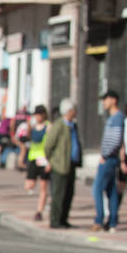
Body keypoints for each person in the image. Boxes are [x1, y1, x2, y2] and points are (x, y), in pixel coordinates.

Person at [43, 98, 81, 229]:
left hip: (71, 163)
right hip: (60, 164)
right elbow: (48, 145)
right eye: (73, 110)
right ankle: (55, 221)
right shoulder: (59, 125)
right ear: (68, 111)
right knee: (59, 194)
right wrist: (51, 160)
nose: (75, 112)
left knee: (69, 194)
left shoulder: (73, 125)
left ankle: (64, 219)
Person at [92, 90, 124, 232]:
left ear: (113, 100)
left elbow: (116, 140)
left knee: (97, 189)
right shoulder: (112, 117)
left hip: (109, 159)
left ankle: (99, 219)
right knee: (111, 190)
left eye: (105, 99)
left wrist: (104, 155)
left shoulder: (117, 117)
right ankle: (112, 221)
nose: (103, 102)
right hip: (109, 158)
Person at [24, 105, 51, 221]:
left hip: (44, 159)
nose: (38, 117)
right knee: (29, 185)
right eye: (36, 114)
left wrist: (49, 161)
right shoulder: (33, 126)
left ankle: (39, 211)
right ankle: (44, 204)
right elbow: (27, 137)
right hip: (33, 158)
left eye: (40, 114)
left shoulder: (49, 126)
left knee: (43, 186)